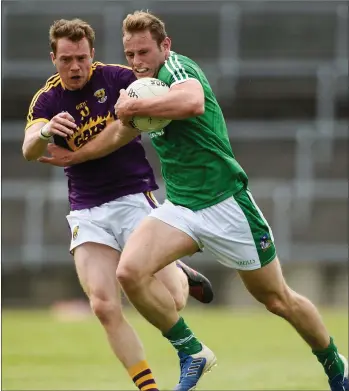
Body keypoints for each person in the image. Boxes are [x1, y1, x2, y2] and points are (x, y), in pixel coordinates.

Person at [37, 11, 348, 391]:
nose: (137, 62)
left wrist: (134, 108)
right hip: (181, 208)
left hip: (227, 203)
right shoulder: (139, 87)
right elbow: (120, 133)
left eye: (144, 52)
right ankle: (191, 351)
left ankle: (335, 365)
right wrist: (78, 155)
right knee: (129, 272)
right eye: (130, 54)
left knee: (277, 299)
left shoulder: (177, 69)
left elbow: (192, 102)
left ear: (165, 46)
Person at [22, 18, 215, 391]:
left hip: (131, 197)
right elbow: (29, 148)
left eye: (81, 58)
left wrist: (82, 151)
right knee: (104, 306)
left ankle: (178, 272)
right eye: (65, 60)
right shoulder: (47, 98)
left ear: (92, 54)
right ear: (53, 58)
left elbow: (143, 109)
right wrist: (45, 131)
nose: (74, 67)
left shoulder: (118, 79)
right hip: (86, 208)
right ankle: (149, 388)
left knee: (173, 302)